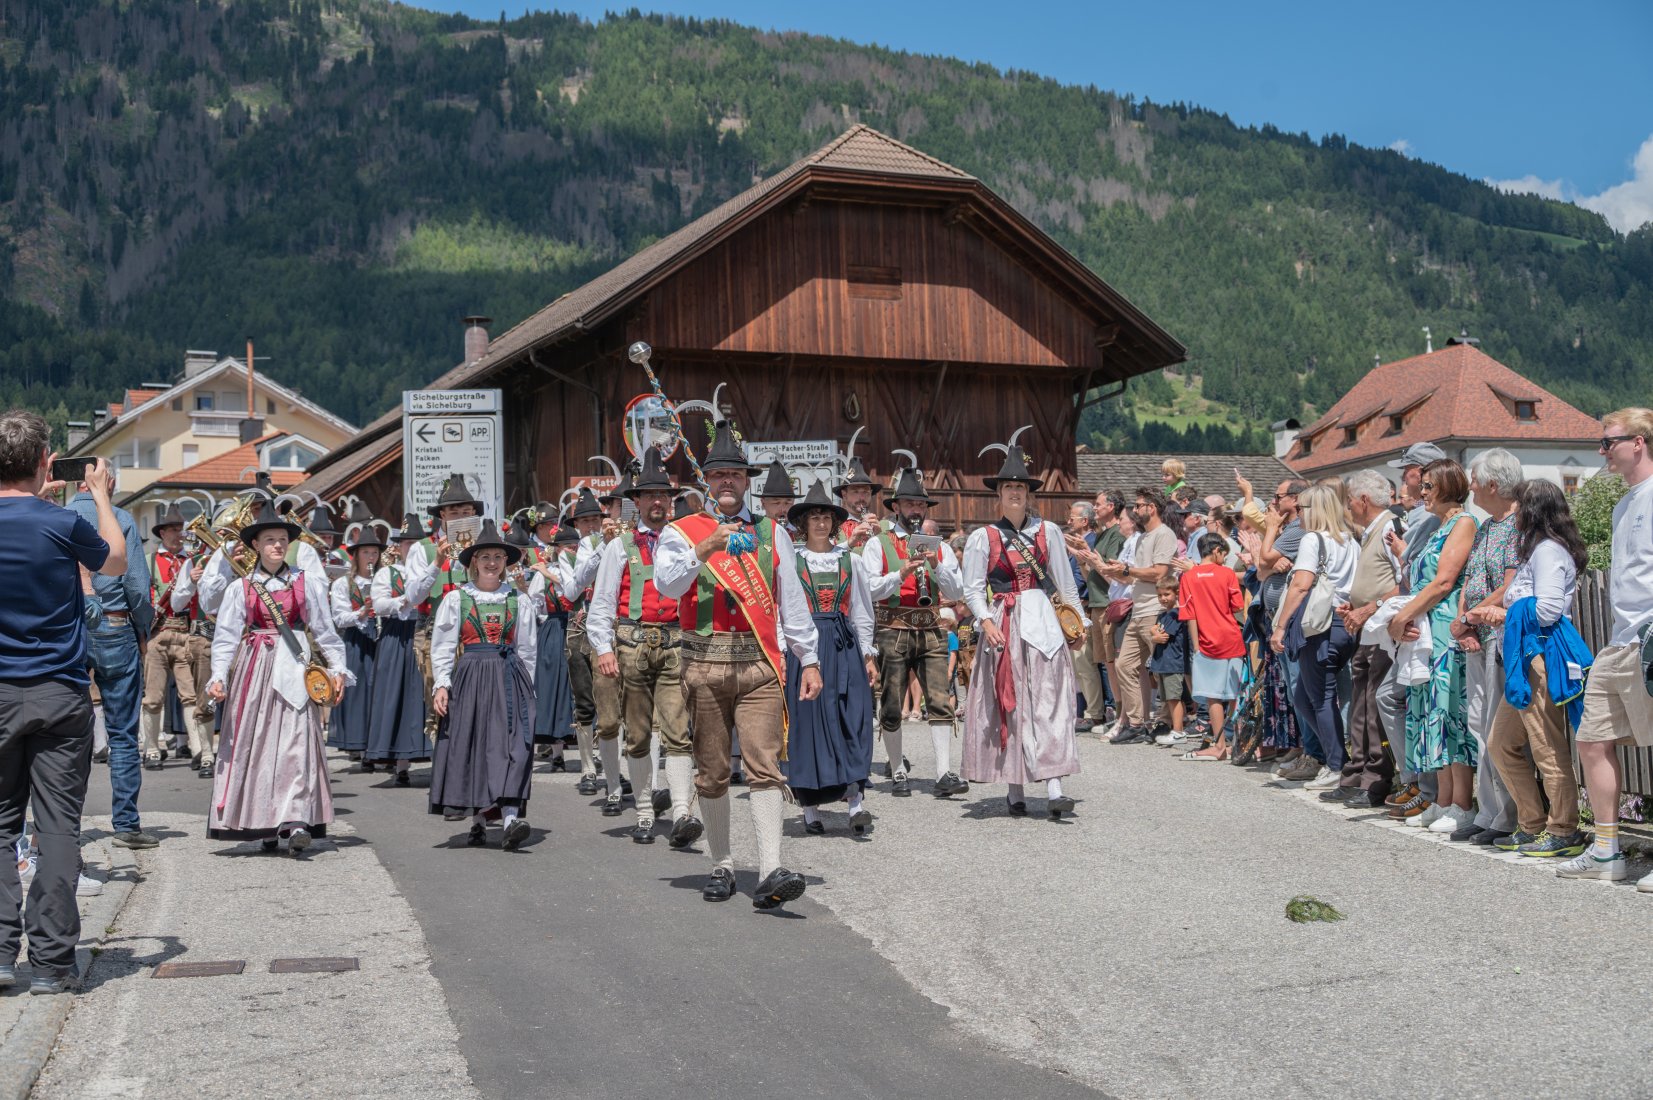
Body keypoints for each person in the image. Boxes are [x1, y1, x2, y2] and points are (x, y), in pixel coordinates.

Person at [654, 418, 822, 910]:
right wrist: (706, 548)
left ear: (747, 481)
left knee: (765, 765)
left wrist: (809, 658)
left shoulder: (772, 533)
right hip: (704, 667)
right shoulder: (682, 532)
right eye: (718, 474)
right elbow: (667, 586)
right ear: (706, 480)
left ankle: (770, 870)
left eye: (735, 474)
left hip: (759, 667)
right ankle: (722, 864)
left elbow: (792, 602)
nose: (727, 481)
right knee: (712, 771)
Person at [0, 414, 126, 996]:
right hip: (58, 691)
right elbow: (115, 561)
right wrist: (99, 496)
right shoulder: (61, 523)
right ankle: (51, 964)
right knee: (57, 828)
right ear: (44, 461)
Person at [206, 500, 350, 854]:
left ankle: (296, 819)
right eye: (270, 539)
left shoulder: (306, 583)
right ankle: (266, 821)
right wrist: (218, 676)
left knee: (296, 743)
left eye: (282, 540)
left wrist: (338, 669)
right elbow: (225, 637)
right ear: (255, 545)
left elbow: (325, 631)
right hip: (256, 668)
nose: (277, 545)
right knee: (257, 745)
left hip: (296, 667)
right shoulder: (241, 588)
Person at [960, 439, 1083, 819]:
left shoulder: (1049, 531)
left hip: (1044, 623)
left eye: (1020, 487)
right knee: (1007, 704)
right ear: (998, 494)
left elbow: (1064, 583)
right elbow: (972, 588)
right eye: (1008, 487)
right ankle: (1014, 787)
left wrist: (1078, 624)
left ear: (1028, 494)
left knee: (1051, 704)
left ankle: (1055, 785)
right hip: (1005, 624)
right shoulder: (983, 537)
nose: (1015, 492)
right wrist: (984, 620)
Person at [1556, 409, 1653, 888]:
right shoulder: (1623, 504)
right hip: (1618, 641)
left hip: (1649, 637)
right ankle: (1606, 852)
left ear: (1639, 442)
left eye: (1608, 441)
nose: (1601, 451)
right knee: (1592, 741)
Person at [1473, 479, 1591, 858]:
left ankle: (1564, 830)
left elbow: (1549, 609)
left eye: (1520, 506)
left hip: (1538, 658)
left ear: (1533, 510)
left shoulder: (1549, 552)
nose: (1516, 512)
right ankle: (1532, 824)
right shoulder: (1538, 551)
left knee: (1546, 746)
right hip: (1524, 660)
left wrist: (1503, 614)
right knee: (1501, 743)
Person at [585, 447, 692, 844]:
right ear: (637, 502)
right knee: (638, 733)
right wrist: (603, 648)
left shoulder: (684, 542)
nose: (657, 502)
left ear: (670, 501)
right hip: (632, 645)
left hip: (675, 643)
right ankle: (645, 810)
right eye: (649, 495)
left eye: (662, 495)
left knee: (678, 730)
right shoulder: (620, 546)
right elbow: (602, 602)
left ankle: (681, 811)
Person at [428, 520, 542, 850]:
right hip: (471, 676)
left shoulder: (518, 599)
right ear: (474, 562)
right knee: (476, 744)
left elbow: (527, 649)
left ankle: (509, 818)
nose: (492, 562)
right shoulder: (457, 599)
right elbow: (443, 646)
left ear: (506, 562)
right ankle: (478, 819)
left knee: (513, 746)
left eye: (498, 557)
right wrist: (442, 684)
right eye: (485, 557)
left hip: (509, 676)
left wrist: (528, 690)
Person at [63, 465, 155, 850]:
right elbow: (136, 584)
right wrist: (143, 626)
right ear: (109, 482)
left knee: (67, 736)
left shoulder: (60, 516)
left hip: (70, 631)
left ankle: (65, 827)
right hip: (116, 627)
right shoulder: (120, 518)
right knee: (122, 733)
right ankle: (127, 825)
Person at [862, 462, 966, 798]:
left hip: (931, 628)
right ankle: (897, 770)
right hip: (892, 628)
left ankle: (943, 772)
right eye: (910, 504)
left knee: (939, 699)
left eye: (920, 504)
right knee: (892, 702)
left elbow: (957, 589)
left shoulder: (940, 546)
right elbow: (869, 588)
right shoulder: (878, 543)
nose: (916, 510)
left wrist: (935, 564)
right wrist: (901, 574)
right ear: (896, 507)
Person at [1387, 459, 1478, 834]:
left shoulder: (1463, 523)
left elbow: (1444, 582)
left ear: (1447, 486)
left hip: (1445, 629)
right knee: (1431, 714)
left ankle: (1462, 803)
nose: (1421, 492)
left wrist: (1402, 617)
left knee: (1449, 711)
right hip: (1427, 629)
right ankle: (1443, 799)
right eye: (1421, 485)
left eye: (1428, 486)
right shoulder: (1439, 526)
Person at [786, 481, 878, 834]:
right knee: (808, 723)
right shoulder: (792, 561)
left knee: (852, 717)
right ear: (804, 524)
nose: (821, 523)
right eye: (815, 517)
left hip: (843, 644)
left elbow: (862, 611)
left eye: (826, 517)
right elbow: (783, 610)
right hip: (806, 646)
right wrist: (785, 651)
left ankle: (856, 802)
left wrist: (867, 654)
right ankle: (810, 808)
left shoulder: (851, 560)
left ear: (834, 523)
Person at [1448, 449, 1525, 842]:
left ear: (1493, 484)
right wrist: (1463, 621)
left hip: (1498, 635)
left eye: (1475, 480)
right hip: (1476, 635)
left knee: (1496, 726)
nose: (1471, 487)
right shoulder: (1485, 527)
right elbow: (1471, 578)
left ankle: (1505, 816)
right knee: (1479, 723)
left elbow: (1509, 587)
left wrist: (1470, 618)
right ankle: (1488, 810)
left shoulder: (1518, 526)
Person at [1271, 484, 1360, 789]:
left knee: (1319, 697)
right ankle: (1336, 756)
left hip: (1320, 625)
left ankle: (1336, 764)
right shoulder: (1350, 541)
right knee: (1307, 696)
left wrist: (1281, 626)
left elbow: (1300, 585)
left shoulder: (1313, 539)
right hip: (1344, 625)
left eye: (1302, 509)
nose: (1298, 514)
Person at [1378, 442, 1448, 820]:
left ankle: (1426, 787)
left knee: (1420, 703)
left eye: (1406, 472)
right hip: (1417, 620)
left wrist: (1400, 615)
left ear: (1422, 474)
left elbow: (1428, 577)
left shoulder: (1429, 518)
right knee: (1411, 701)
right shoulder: (1421, 515)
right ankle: (1420, 784)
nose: (1403, 481)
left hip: (1428, 624)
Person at [1329, 469, 1403, 807]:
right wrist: (1356, 606)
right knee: (1361, 704)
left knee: (1373, 704)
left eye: (1349, 501)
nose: (1348, 507)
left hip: (1382, 631)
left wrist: (1370, 607)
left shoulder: (1390, 528)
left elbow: (1404, 582)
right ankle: (1357, 772)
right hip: (1367, 628)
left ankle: (1375, 780)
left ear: (1363, 500)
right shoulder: (1373, 530)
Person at [140, 503, 214, 776]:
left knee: (190, 695)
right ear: (162, 533)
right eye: (172, 529)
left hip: (186, 633)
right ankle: (151, 748)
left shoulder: (193, 561)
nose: (178, 534)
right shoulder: (149, 560)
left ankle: (198, 750)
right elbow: (143, 597)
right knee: (153, 696)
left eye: (180, 529)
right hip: (158, 634)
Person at [1101, 488, 1177, 744]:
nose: (1134, 510)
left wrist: (1128, 570)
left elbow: (1159, 572)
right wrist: (1111, 569)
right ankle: (1136, 723)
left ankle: (1166, 721)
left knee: (1161, 669)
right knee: (1124, 665)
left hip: (1155, 610)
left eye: (1139, 505)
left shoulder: (1164, 534)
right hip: (1138, 609)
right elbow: (1133, 574)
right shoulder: (1143, 537)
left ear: (1151, 508)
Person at [368, 514, 434, 781]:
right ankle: (400, 763)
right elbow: (379, 605)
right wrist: (404, 600)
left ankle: (431, 754)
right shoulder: (388, 572)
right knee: (396, 695)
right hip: (397, 634)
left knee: (425, 694)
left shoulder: (431, 569)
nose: (412, 547)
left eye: (416, 542)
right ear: (399, 547)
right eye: (407, 543)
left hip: (424, 630)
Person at [1178, 535, 1246, 760]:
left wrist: (1196, 646)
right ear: (1216, 550)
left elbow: (1190, 614)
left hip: (1207, 641)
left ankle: (1219, 746)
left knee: (1213, 697)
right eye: (1223, 554)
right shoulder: (1227, 574)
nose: (1224, 558)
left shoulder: (1188, 576)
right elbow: (1237, 605)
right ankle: (1239, 743)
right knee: (1235, 694)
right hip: (1232, 638)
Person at [328, 520, 383, 774]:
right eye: (366, 552)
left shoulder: (383, 579)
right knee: (359, 694)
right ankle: (360, 746)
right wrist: (362, 611)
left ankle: (378, 746)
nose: (371, 557)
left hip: (380, 639)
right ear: (356, 555)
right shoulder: (344, 584)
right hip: (356, 641)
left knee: (379, 692)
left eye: (374, 552)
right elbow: (339, 618)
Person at [1064, 500, 1106, 733]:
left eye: (1073, 517)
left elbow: (1084, 579)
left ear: (1085, 520)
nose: (1069, 521)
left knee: (1085, 664)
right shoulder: (1075, 542)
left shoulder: (1090, 542)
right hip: (1072, 608)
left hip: (1084, 606)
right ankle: (1085, 711)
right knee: (1077, 666)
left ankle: (1095, 713)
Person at [1146, 576, 1189, 747]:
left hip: (1173, 662)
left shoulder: (1175, 613)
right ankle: (1176, 728)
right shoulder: (1164, 614)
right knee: (1169, 699)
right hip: (1163, 663)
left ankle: (1178, 731)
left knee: (1174, 698)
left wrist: (1153, 635)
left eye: (1167, 594)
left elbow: (1162, 637)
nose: (1163, 598)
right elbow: (1156, 630)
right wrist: (1153, 632)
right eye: (1160, 595)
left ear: (1176, 593)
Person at [756, 459, 798, 531]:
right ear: (763, 503)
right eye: (776, 502)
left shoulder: (801, 531)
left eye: (787, 503)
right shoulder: (755, 531)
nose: (783, 509)